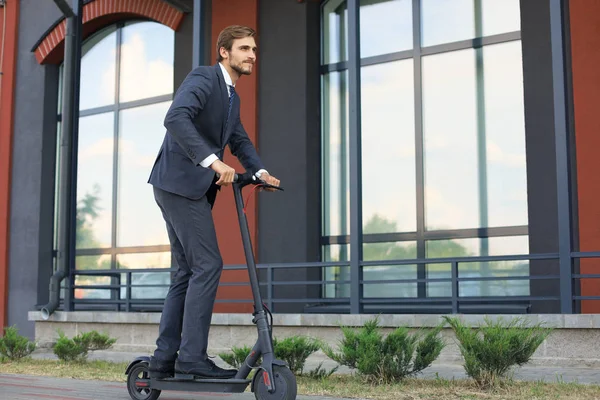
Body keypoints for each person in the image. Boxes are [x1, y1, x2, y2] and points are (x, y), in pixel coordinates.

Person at [146, 25, 280, 380]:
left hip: (181, 187)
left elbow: (239, 140)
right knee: (208, 265)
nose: (252, 54)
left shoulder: (231, 96)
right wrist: (213, 161)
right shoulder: (205, 78)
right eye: (245, 48)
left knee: (186, 272)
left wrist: (260, 172)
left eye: (254, 49)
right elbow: (175, 117)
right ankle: (191, 358)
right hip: (180, 183)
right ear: (224, 52)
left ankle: (164, 359)